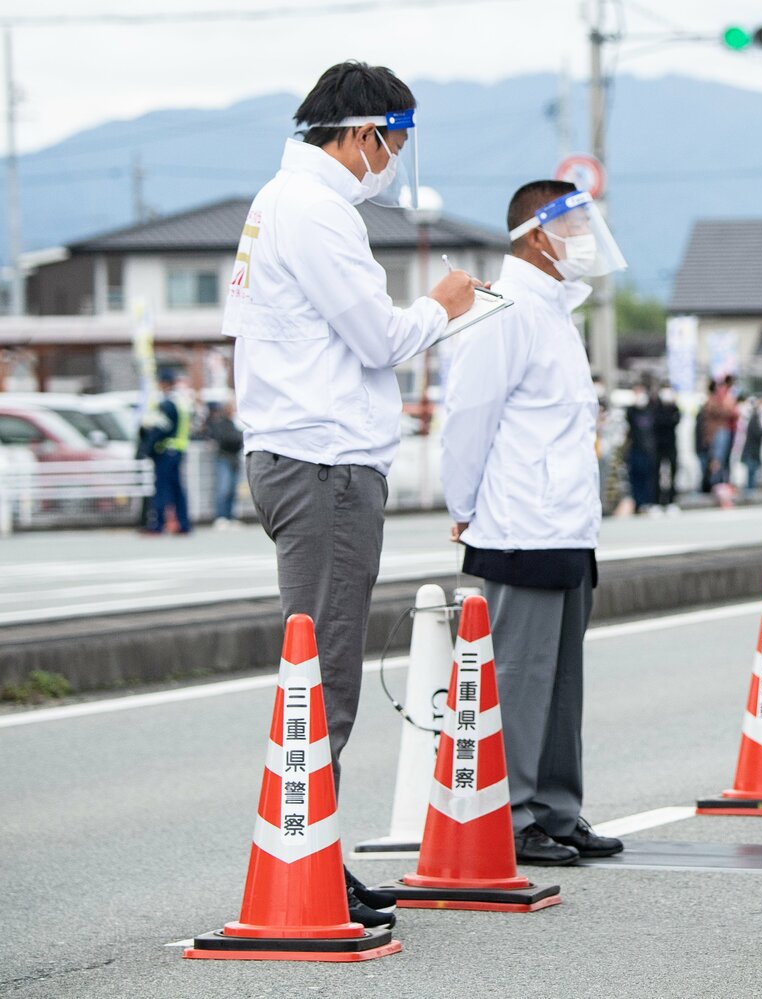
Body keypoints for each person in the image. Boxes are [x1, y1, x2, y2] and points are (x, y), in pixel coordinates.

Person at [223, 60, 478, 927]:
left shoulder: (278, 200)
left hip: (300, 454)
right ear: (366, 134)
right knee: (324, 675)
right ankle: (304, 867)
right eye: (395, 144)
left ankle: (317, 857)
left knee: (318, 665)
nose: (395, 163)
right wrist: (444, 305)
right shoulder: (319, 212)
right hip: (324, 462)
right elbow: (378, 337)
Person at [441, 179, 627, 867]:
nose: (585, 238)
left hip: (566, 521)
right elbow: (468, 416)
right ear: (538, 233)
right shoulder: (505, 307)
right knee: (518, 676)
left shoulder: (554, 308)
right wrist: (462, 506)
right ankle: (514, 812)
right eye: (575, 224)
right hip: (519, 521)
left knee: (560, 679)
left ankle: (557, 807)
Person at [143, 369, 192, 535]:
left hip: (165, 451)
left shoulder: (166, 404)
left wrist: (148, 449)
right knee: (177, 488)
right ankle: (184, 524)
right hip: (178, 450)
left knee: (162, 488)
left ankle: (158, 524)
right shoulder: (182, 402)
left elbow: (160, 429)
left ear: (164, 383)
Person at [202, 400, 244, 526]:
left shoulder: (233, 423)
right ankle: (221, 516)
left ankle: (230, 516)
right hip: (224, 458)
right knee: (223, 488)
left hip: (233, 459)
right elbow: (228, 439)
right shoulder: (221, 423)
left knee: (232, 489)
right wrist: (237, 439)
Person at [623, 382, 658, 513]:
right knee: (636, 477)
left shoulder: (651, 410)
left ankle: (649, 502)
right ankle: (639, 503)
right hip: (635, 448)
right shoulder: (631, 411)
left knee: (649, 477)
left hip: (649, 449)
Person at [651, 386, 681, 509]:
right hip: (658, 446)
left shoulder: (674, 408)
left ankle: (671, 500)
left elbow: (676, 420)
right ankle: (657, 501)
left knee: (673, 471)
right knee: (657, 473)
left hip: (671, 445)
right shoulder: (656, 408)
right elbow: (658, 421)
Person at [739, 395, 762, 490]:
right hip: (751, 452)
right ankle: (749, 490)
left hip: (752, 452)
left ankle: (750, 490)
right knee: (751, 472)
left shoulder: (754, 419)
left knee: (752, 472)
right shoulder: (754, 420)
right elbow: (757, 433)